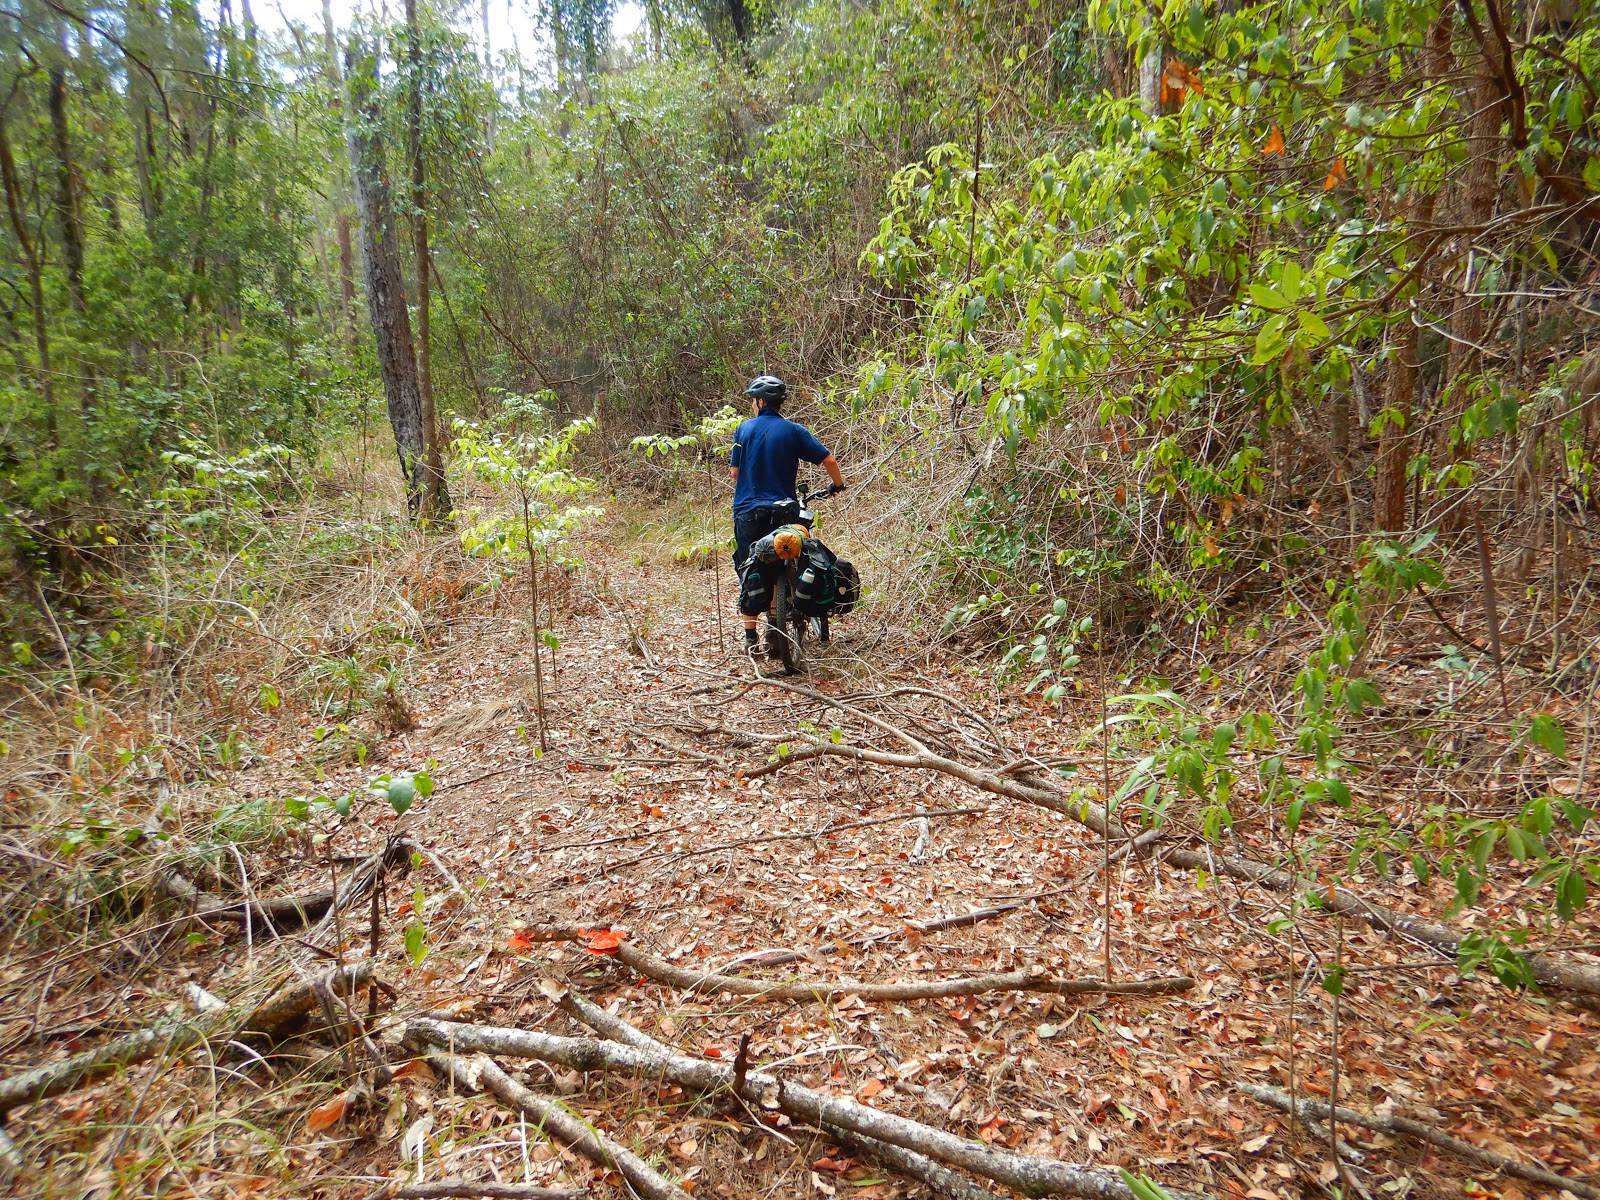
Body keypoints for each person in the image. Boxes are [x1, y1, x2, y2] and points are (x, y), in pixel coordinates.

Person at [729, 375, 845, 650]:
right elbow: (828, 459)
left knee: (750, 566)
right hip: (783, 510)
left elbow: (734, 473)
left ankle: (750, 637)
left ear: (760, 402)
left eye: (753, 400)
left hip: (748, 510)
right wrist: (838, 485)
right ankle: (775, 623)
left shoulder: (743, 430)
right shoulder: (793, 430)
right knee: (780, 558)